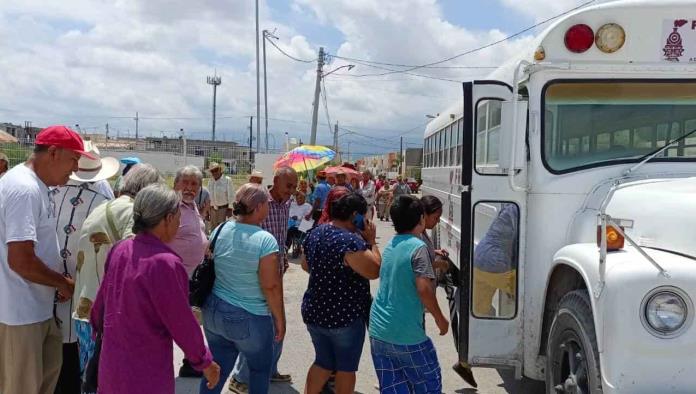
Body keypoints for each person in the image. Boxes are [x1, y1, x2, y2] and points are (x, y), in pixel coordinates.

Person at [90, 184, 220, 393]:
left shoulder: (121, 249)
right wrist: (204, 361)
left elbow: (99, 309)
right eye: (178, 216)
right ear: (168, 218)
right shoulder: (165, 263)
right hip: (145, 371)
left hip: (113, 366)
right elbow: (181, 321)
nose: (179, 223)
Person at [0, 125, 91, 394]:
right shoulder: (23, 189)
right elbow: (21, 260)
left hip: (36, 310)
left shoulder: (37, 187)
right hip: (19, 315)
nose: (74, 169)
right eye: (73, 159)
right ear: (53, 153)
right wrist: (62, 282)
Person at [72, 163, 161, 375]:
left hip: (85, 308)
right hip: (107, 314)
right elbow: (135, 261)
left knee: (90, 377)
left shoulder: (105, 206)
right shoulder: (132, 212)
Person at [201, 183, 285, 394]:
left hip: (214, 311)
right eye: (266, 204)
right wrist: (280, 319)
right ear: (258, 207)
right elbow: (271, 286)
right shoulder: (265, 240)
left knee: (216, 369)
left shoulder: (220, 229)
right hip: (249, 317)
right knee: (259, 370)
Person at [53, 140, 119, 394]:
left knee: (53, 350)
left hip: (52, 277)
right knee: (79, 353)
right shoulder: (103, 197)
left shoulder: (52, 188)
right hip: (86, 284)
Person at [301, 193, 382, 394]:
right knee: (346, 368)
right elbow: (374, 270)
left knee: (323, 362)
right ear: (355, 215)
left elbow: (305, 265)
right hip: (344, 316)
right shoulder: (349, 242)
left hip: (315, 311)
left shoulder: (316, 232)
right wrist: (371, 241)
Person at [369, 195, 449, 394]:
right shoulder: (418, 247)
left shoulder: (392, 244)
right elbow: (424, 288)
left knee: (394, 388)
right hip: (404, 333)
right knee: (428, 384)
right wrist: (441, 319)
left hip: (379, 331)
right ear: (421, 218)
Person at [230, 167, 297, 392]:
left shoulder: (286, 204)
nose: (292, 191)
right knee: (260, 329)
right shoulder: (258, 202)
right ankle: (240, 377)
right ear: (276, 181)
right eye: (289, 186)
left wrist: (284, 257)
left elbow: (281, 235)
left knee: (276, 324)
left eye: (294, 186)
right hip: (257, 274)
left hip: (276, 270)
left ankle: (270, 369)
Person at [420, 195, 478, 388]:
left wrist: (435, 253)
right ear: (424, 215)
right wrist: (439, 317)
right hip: (416, 304)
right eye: (435, 217)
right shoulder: (417, 237)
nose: (437, 221)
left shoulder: (422, 233)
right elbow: (420, 266)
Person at [167, 166, 209, 378]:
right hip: (174, 277)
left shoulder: (192, 207)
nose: (190, 188)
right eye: (186, 182)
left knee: (190, 321)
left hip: (192, 277)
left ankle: (191, 362)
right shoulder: (170, 208)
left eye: (195, 184)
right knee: (174, 323)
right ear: (175, 184)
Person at [473, 203, 519, 317]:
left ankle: (485, 333)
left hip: (478, 259)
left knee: (480, 311)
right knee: (529, 295)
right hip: (495, 262)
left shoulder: (507, 207)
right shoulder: (516, 208)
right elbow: (520, 239)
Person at [207, 162, 235, 230]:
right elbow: (208, 196)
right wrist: (207, 211)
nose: (214, 172)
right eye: (212, 171)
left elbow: (231, 195)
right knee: (213, 229)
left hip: (224, 210)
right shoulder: (210, 181)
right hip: (212, 210)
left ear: (220, 169)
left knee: (222, 230)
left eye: (216, 170)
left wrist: (230, 208)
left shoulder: (227, 180)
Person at [287, 192, 312, 258]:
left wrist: (298, 218)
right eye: (298, 198)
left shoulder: (308, 206)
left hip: (301, 227)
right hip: (290, 223)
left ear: (304, 199)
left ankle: (286, 247)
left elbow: (308, 218)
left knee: (291, 230)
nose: (299, 200)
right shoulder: (293, 204)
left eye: (301, 198)